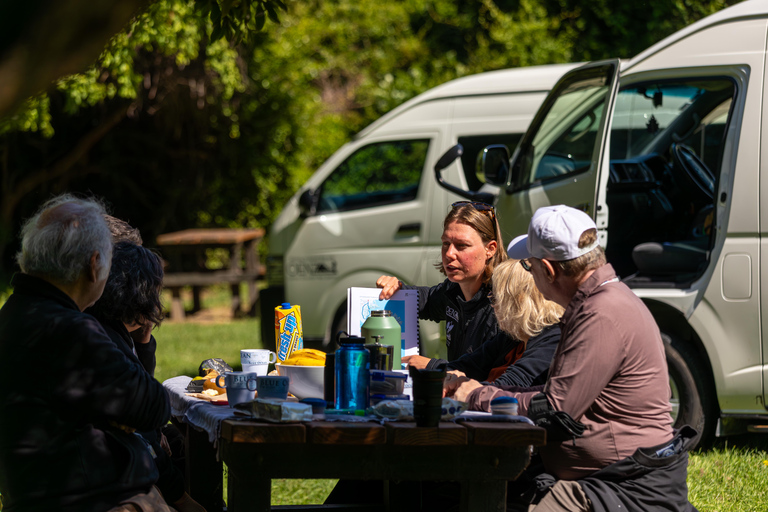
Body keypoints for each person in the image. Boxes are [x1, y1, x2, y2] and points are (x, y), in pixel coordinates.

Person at [445, 205, 697, 512]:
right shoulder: (601, 302)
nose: (531, 275)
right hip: (614, 478)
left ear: (549, 271)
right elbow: (556, 397)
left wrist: (478, 396)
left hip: (624, 487)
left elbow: (554, 411)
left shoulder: (601, 315)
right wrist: (485, 392)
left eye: (530, 267)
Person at [0, 194, 172, 512]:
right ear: (94, 266)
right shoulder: (70, 331)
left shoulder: (14, 313)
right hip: (96, 502)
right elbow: (154, 405)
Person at [87, 242, 206, 512]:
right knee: (177, 445)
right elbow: (141, 415)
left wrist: (144, 339)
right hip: (115, 466)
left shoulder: (112, 327)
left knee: (177, 439)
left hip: (121, 451)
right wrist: (182, 499)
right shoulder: (105, 339)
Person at [377, 201, 505, 368]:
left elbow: (487, 375)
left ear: (490, 249)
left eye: (462, 245)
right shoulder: (454, 291)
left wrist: (433, 366)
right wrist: (395, 287)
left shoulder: (503, 306)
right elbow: (426, 299)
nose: (449, 254)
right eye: (446, 243)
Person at [442, 258, 562, 389]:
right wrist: (443, 376)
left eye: (496, 298)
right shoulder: (513, 338)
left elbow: (510, 385)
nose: (493, 305)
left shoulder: (553, 340)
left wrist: (458, 385)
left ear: (518, 302)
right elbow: (467, 365)